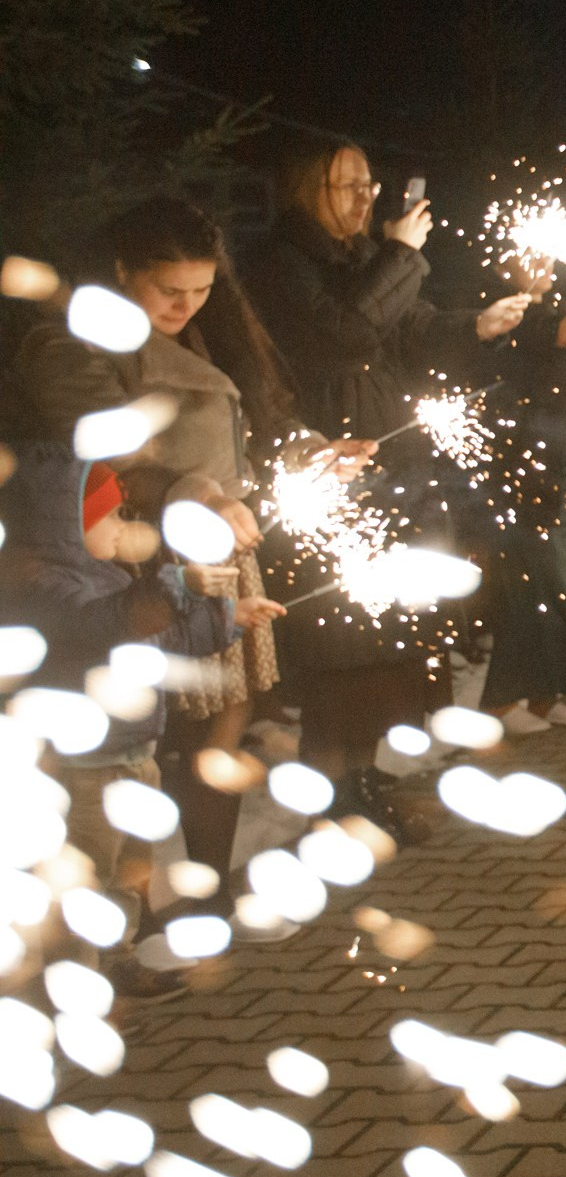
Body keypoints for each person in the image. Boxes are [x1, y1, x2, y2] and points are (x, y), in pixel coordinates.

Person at [14, 196, 323, 885]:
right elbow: (110, 452)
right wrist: (190, 493)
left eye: (203, 288)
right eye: (169, 289)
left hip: (216, 545)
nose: (188, 305)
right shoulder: (69, 342)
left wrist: (306, 452)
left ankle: (200, 894)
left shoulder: (203, 337)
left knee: (219, 731)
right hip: (141, 557)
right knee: (160, 744)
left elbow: (232, 439)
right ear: (123, 271)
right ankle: (139, 921)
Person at [251, 142, 530, 825]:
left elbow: (413, 330)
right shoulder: (281, 261)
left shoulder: (360, 258)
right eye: (345, 185)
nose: (363, 197)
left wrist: (479, 326)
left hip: (390, 475)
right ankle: (330, 798)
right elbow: (343, 331)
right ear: (304, 186)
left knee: (385, 645)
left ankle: (364, 781)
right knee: (341, 648)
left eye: (368, 184)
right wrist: (401, 253)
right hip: (329, 475)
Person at [0, 445, 274, 997]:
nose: (126, 529)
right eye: (113, 518)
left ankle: (118, 955)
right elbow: (104, 626)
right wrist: (175, 586)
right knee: (86, 875)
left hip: (132, 756)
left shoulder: (112, 578)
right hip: (82, 770)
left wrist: (227, 619)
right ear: (69, 530)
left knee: (129, 871)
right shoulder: (47, 587)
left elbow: (162, 640)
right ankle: (74, 975)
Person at [475, 246, 566, 733]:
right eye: (533, 259)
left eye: (551, 259)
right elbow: (559, 334)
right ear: (505, 267)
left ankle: (543, 698)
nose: (549, 267)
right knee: (534, 583)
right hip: (525, 469)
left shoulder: (551, 311)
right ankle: (499, 705)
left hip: (560, 464)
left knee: (559, 578)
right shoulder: (510, 314)